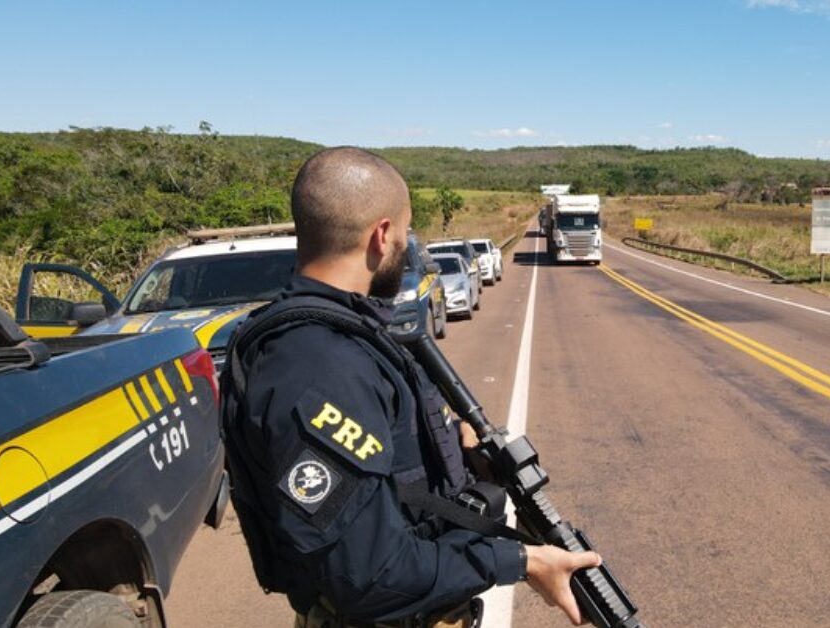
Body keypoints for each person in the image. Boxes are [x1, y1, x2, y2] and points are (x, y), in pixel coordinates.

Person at [220, 147, 600, 627]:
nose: (405, 248)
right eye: (405, 233)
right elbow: (369, 574)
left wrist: (453, 451)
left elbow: (384, 474)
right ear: (381, 236)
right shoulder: (319, 363)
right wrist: (521, 561)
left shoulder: (340, 338)